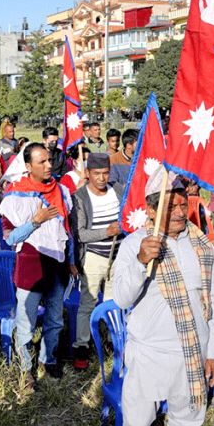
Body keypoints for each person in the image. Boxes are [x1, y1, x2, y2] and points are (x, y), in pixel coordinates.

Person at [113, 167, 214, 426]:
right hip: (148, 355)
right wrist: (141, 261)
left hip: (193, 355)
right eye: (170, 205)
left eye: (183, 204)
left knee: (187, 422)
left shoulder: (204, 246)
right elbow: (120, 299)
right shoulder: (135, 244)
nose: (178, 212)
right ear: (151, 210)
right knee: (138, 422)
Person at [0, 143, 73, 383]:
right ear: (28, 166)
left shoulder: (61, 191)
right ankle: (26, 368)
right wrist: (35, 221)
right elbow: (11, 237)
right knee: (26, 322)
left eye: (49, 160)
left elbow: (67, 229)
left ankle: (47, 359)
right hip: (31, 265)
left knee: (55, 319)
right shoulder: (15, 195)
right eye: (41, 162)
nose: (49, 165)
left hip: (57, 264)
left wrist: (70, 260)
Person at [68, 153, 124, 370]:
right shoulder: (80, 197)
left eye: (105, 173)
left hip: (118, 256)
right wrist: (106, 232)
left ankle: (113, 342)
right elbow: (80, 234)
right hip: (93, 258)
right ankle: (81, 348)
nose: (101, 178)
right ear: (88, 173)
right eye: (97, 173)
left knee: (113, 301)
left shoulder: (118, 190)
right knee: (88, 303)